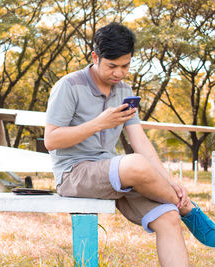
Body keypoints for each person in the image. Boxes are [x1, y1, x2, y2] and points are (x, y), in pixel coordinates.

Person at [44, 22, 215, 266]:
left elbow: (141, 142)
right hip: (75, 174)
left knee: (169, 218)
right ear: (95, 57)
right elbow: (51, 140)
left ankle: (179, 205)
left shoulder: (124, 90)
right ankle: (190, 210)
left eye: (125, 66)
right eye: (112, 66)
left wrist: (170, 183)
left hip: (115, 174)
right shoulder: (69, 86)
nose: (119, 73)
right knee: (135, 164)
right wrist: (99, 123)